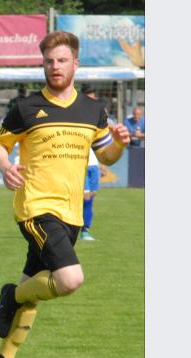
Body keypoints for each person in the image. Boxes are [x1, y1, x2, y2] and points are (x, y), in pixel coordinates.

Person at [0, 31, 130, 358]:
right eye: (49, 61)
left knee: (36, 286)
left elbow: (106, 155)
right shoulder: (25, 107)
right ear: (44, 64)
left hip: (72, 214)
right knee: (69, 279)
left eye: (62, 60)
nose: (55, 67)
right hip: (36, 208)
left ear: (75, 64)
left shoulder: (93, 110)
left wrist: (121, 146)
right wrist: (6, 167)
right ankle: (10, 296)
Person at [79, 85, 107, 241]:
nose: (92, 99)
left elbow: (100, 143)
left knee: (91, 198)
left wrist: (102, 164)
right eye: (89, 96)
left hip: (94, 165)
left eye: (93, 96)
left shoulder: (97, 116)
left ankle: (85, 230)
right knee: (85, 197)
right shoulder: (76, 115)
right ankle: (82, 230)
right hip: (81, 164)